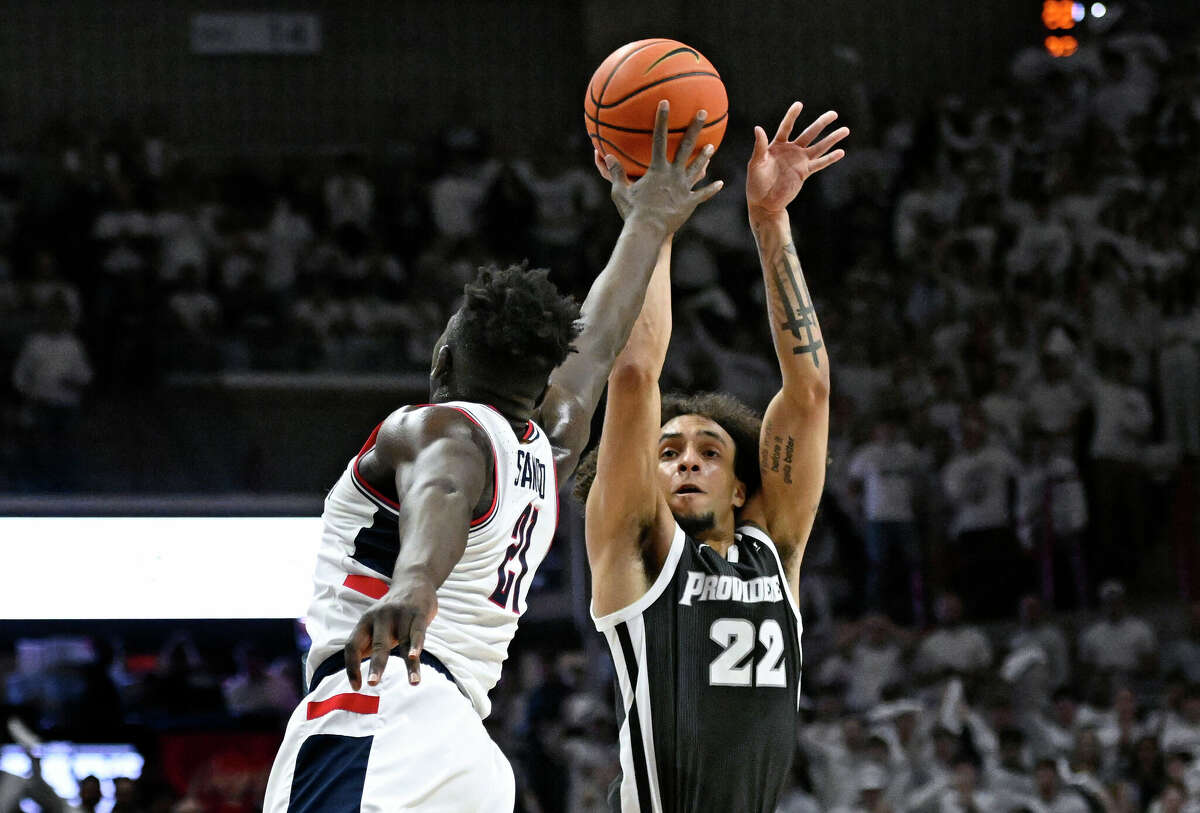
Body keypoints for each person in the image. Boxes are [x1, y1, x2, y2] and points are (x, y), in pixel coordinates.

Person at [261, 104, 722, 813]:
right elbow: (595, 343)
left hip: (377, 716)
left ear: (444, 355)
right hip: (464, 752)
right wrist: (649, 223)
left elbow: (443, 488)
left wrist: (414, 583)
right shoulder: (547, 440)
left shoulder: (439, 428)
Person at [575, 101, 848, 812]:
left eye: (709, 450)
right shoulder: (635, 554)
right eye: (667, 452)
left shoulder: (774, 551)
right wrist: (653, 225)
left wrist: (770, 222)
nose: (687, 461)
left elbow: (810, 389)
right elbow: (634, 376)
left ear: (740, 488)